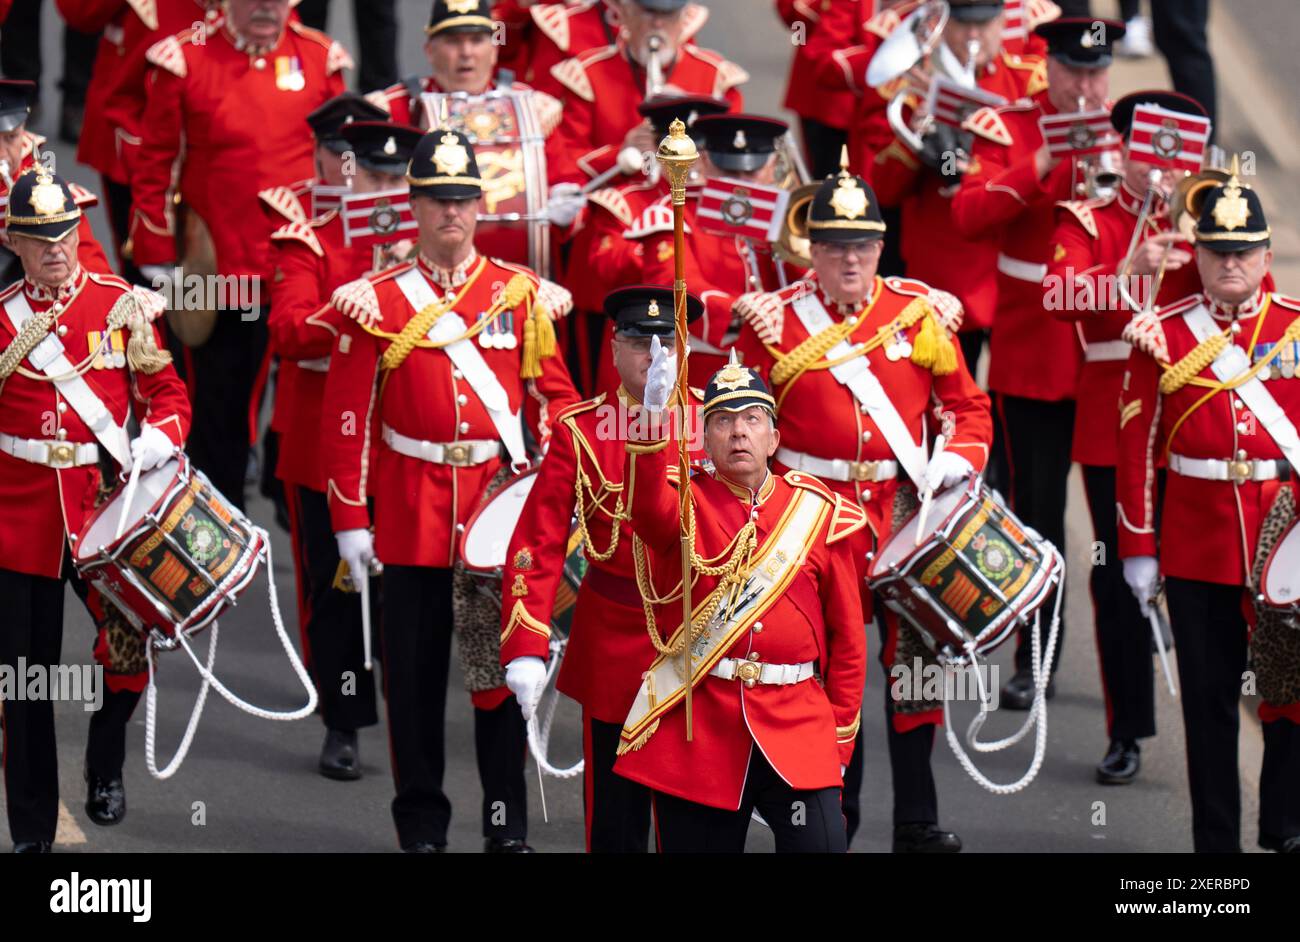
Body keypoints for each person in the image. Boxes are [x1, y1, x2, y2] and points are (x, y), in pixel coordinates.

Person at [320, 128, 579, 852]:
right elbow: (347, 419)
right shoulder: (374, 301)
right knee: (413, 685)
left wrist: (551, 486)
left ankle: (505, 829)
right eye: (438, 201)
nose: (452, 215)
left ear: (479, 205)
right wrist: (350, 517)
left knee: (501, 682)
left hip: (497, 516)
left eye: (463, 201)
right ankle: (423, 830)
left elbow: (552, 399)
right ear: (415, 206)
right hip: (408, 516)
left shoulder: (518, 296)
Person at [735, 166, 992, 851]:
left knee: (914, 666)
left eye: (862, 245)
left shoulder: (917, 313)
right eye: (834, 245)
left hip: (901, 510)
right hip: (810, 519)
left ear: (881, 248)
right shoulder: (778, 319)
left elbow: (967, 407)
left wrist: (958, 459)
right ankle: (831, 817)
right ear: (810, 250)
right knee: (824, 673)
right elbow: (736, 424)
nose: (849, 258)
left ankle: (916, 819)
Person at [0, 169, 190, 852]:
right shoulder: (0, 320)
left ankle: (104, 760)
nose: (58, 248)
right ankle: (31, 833)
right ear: (14, 241)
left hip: (101, 511)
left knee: (130, 651)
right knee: (23, 684)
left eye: (67, 234)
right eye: (42, 238)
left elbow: (169, 394)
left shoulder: (124, 306)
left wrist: (158, 437)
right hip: (17, 521)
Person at [612, 348, 867, 853]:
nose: (738, 432)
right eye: (722, 421)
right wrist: (649, 419)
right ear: (704, 439)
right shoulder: (684, 499)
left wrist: (838, 737)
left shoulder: (816, 511)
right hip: (702, 729)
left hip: (797, 721)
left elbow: (849, 639)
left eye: (752, 420)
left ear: (774, 437)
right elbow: (646, 512)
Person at [1118, 168, 1300, 854]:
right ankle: (1215, 848)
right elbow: (1136, 446)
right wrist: (1137, 546)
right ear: (1196, 255)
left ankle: (1285, 825)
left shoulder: (1293, 329)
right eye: (1218, 250)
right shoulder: (1160, 333)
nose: (1231, 262)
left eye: (1243, 250)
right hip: (1197, 545)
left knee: (1290, 691)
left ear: (1265, 256)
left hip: (1285, 542)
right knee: (1209, 702)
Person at [952, 16, 1123, 709]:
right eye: (1073, 72)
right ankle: (1037, 655)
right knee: (1039, 518)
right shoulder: (1006, 125)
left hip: (1110, 356)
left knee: (1119, 533)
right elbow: (967, 214)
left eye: (1096, 73)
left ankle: (1128, 675)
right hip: (1034, 353)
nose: (1085, 86)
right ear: (1046, 68)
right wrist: (1040, 165)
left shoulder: (1130, 132)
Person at [500, 284, 703, 852]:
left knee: (693, 813)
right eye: (640, 341)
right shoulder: (580, 430)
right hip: (614, 635)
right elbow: (536, 542)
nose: (655, 354)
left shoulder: (716, 422)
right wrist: (525, 640)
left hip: (701, 632)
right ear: (614, 349)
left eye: (668, 341)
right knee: (615, 817)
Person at [130, 0, 352, 509]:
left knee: (312, 397)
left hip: (301, 268)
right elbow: (155, 162)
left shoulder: (321, 60)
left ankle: (294, 494)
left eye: (277, 0)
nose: (265, 9)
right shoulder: (185, 58)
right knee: (217, 408)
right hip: (216, 270)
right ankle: (214, 527)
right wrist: (160, 254)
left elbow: (345, 171)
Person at [1046, 89, 1207, 784]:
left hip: (1196, 417)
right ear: (1122, 150)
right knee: (1116, 577)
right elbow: (1057, 297)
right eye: (1148, 149)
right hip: (1115, 419)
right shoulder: (1088, 218)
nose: (1160, 167)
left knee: (1204, 579)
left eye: (1172, 151)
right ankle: (1128, 731)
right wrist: (1128, 272)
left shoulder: (1205, 220)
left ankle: (1208, 718)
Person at [267, 119, 424, 781]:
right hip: (324, 442)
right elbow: (287, 331)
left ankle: (405, 706)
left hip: (410, 442)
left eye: (398, 179)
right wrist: (353, 303)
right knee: (337, 592)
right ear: (351, 175)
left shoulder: (433, 243)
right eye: (377, 177)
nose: (387, 191)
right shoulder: (308, 236)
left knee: (408, 588)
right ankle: (344, 721)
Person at [872, 0, 1048, 371]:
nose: (973, 36)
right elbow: (884, 190)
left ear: (1002, 24)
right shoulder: (915, 84)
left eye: (984, 25)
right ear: (945, 25)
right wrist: (916, 134)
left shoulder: (1030, 82)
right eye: (964, 25)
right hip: (947, 270)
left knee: (1010, 402)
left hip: (1010, 269)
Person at [572, 93, 727, 396]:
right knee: (629, 432)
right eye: (676, 150)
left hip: (714, 343)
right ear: (657, 149)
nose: (691, 160)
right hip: (642, 338)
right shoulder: (623, 200)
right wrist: (658, 250)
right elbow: (603, 265)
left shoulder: (721, 205)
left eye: (700, 149)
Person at [630, 112, 800, 388]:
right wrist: (736, 309)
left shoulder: (789, 216)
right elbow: (670, 283)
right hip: (708, 368)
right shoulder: (673, 211)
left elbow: (812, 278)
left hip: (786, 359)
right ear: (706, 162)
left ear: (773, 166)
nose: (741, 183)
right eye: (729, 171)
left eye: (751, 171)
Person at [546, 0, 747, 188]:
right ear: (624, 13)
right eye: (648, 12)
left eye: (669, 14)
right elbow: (566, 163)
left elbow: (734, 162)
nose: (658, 24)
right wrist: (622, 152)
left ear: (684, 18)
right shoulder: (587, 75)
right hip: (618, 211)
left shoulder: (715, 77)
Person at [0, 80, 113, 285]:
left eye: (11, 137)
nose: (1, 153)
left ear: (24, 133)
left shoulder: (44, 193)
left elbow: (94, 269)